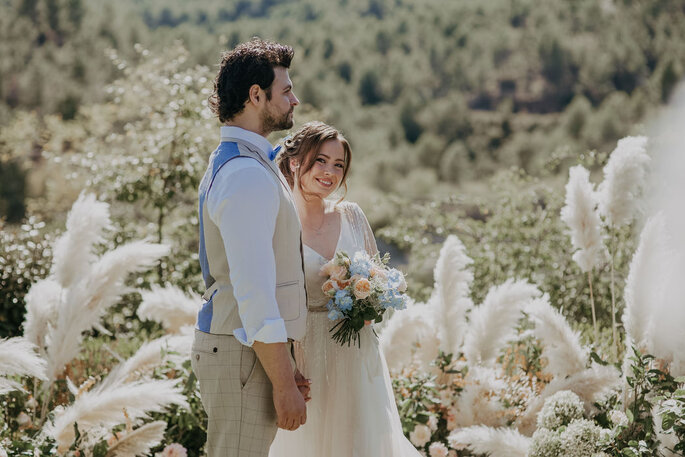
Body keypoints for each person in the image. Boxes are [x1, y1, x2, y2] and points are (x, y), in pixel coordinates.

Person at [268, 121, 421, 456]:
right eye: (321, 160)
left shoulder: (351, 215)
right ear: (296, 161)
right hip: (305, 351)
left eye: (338, 165)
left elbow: (378, 275)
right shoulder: (279, 221)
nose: (330, 172)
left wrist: (368, 299)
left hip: (356, 349)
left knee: (361, 440)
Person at [190, 38, 311, 457]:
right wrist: (282, 384)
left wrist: (286, 367)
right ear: (256, 96)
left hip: (247, 352)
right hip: (240, 353)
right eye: (286, 91)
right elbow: (254, 292)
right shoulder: (244, 173)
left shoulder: (242, 161)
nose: (295, 100)